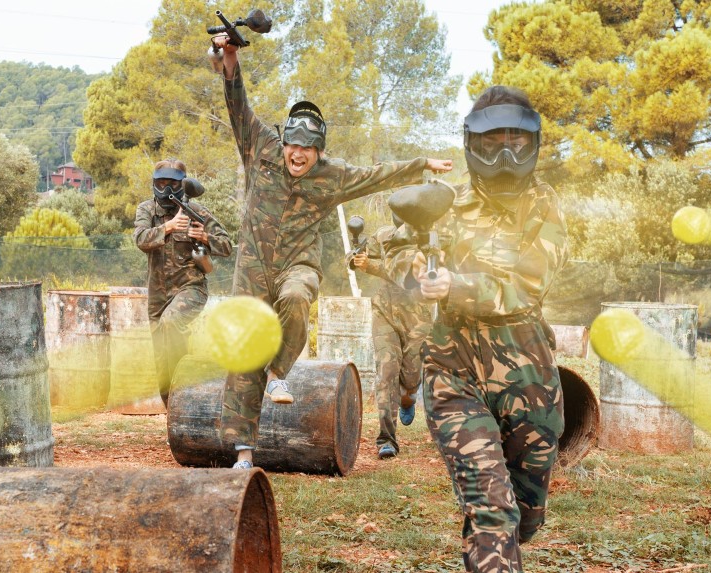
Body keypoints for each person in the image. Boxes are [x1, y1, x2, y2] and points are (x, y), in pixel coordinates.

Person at [211, 35, 452, 470]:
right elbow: (236, 103)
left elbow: (375, 175)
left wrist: (420, 165)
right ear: (283, 141)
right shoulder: (260, 147)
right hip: (251, 268)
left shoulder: (331, 176)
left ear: (318, 150)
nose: (296, 154)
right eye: (292, 145)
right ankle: (243, 452)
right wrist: (229, 56)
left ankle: (278, 371)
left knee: (299, 296)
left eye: (306, 148)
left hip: (297, 264)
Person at [411, 87, 568, 572]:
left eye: (516, 142)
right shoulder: (446, 203)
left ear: (533, 145)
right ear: (471, 145)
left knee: (525, 515)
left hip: (529, 378)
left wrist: (456, 285)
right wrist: (414, 269)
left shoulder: (546, 206)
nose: (504, 153)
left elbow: (527, 283)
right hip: (452, 368)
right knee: (490, 506)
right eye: (492, 142)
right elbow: (399, 250)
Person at [134, 158, 233, 409]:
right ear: (154, 184)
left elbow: (227, 245)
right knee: (161, 356)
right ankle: (174, 410)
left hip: (191, 288)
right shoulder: (147, 210)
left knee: (172, 322)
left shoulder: (197, 212)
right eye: (161, 182)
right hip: (158, 294)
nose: (166, 188)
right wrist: (168, 227)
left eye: (172, 183)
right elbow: (141, 239)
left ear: (182, 184)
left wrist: (205, 236)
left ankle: (184, 387)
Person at [349, 215, 431, 460]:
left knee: (410, 377)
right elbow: (356, 256)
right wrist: (356, 258)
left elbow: (408, 274)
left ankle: (408, 397)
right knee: (386, 372)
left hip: (418, 318)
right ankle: (386, 439)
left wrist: (372, 267)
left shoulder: (430, 240)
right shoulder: (385, 235)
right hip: (385, 311)